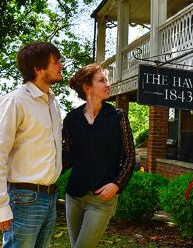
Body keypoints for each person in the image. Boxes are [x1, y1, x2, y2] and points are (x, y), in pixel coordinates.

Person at [0, 42, 64, 248]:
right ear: (38, 69)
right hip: (23, 199)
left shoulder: (53, 103)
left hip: (50, 196)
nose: (61, 65)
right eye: (55, 62)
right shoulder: (15, 102)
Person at [62, 63, 136, 248]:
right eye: (102, 80)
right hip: (74, 196)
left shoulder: (118, 116)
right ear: (87, 87)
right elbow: (67, 157)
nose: (107, 84)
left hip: (101, 200)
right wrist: (43, 177)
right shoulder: (72, 119)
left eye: (106, 80)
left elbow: (129, 156)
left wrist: (117, 184)